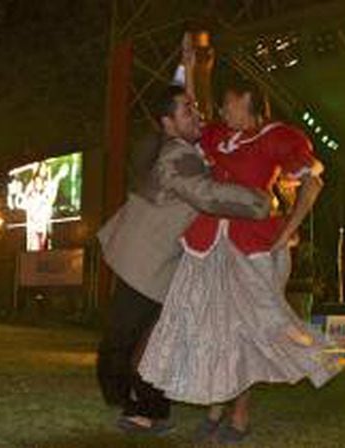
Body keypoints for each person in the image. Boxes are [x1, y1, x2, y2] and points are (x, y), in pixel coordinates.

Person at [138, 77, 340, 445]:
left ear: (248, 101)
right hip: (208, 243)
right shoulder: (218, 134)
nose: (221, 109)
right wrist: (193, 64)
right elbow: (192, 111)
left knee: (247, 330)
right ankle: (217, 409)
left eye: (228, 102)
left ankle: (240, 415)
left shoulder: (279, 137)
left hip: (251, 246)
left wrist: (287, 230)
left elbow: (313, 182)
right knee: (213, 329)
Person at [97, 84, 272, 436]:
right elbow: (204, 194)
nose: (198, 115)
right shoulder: (176, 154)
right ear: (168, 123)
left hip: (153, 263)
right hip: (144, 264)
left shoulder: (189, 149)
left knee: (145, 342)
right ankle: (138, 406)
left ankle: (146, 409)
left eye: (195, 108)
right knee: (123, 343)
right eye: (187, 111)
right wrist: (258, 201)